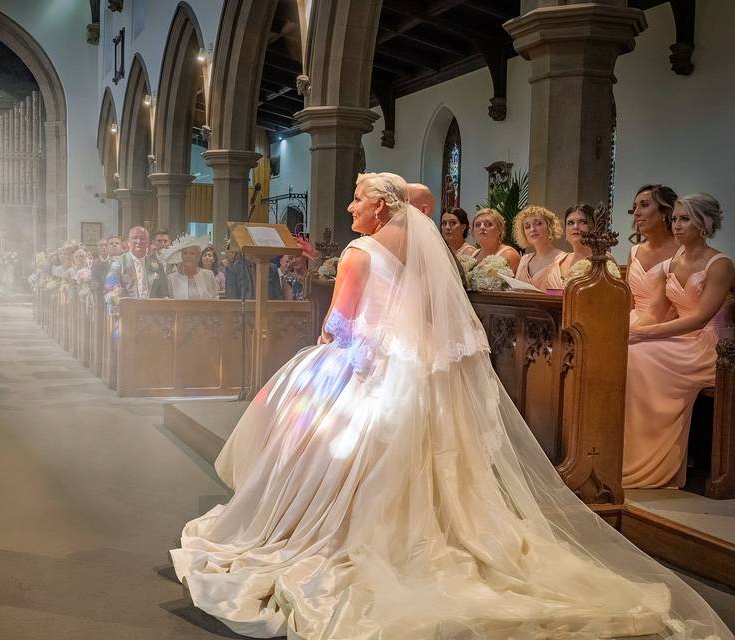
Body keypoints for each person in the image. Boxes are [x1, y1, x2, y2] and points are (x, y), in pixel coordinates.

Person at [171, 171, 731, 640]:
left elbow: (339, 324)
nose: (351, 206)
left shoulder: (361, 251)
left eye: (359, 198)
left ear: (380, 207)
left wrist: (318, 354)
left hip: (367, 366)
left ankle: (315, 524)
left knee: (309, 422)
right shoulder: (419, 248)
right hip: (414, 370)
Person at [624, 194, 734, 489]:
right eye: (674, 219)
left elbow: (700, 319)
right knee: (626, 352)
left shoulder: (720, 264)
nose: (676, 225)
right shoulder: (671, 263)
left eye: (685, 219)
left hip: (711, 345)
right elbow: (654, 312)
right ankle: (631, 452)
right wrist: (626, 332)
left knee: (641, 357)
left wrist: (645, 334)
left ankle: (657, 464)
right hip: (680, 338)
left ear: (704, 223)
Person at [627, 184, 680, 324]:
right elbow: (629, 302)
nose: (636, 213)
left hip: (670, 325)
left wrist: (647, 331)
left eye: (644, 205)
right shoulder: (634, 252)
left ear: (665, 212)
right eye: (635, 207)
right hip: (634, 320)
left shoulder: (683, 251)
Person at [105, 226, 171, 304]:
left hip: (152, 311)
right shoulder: (119, 262)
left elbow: (164, 293)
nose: (138, 241)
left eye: (142, 239)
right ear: (128, 242)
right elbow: (110, 280)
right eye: (135, 238)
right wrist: (116, 288)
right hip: (128, 310)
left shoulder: (157, 266)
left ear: (148, 242)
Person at [512, 205, 565, 290]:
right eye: (527, 226)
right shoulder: (524, 260)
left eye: (538, 223)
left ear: (550, 227)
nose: (532, 229)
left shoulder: (563, 259)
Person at [471, 207, 521, 272]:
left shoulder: (509, 255)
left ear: (499, 230)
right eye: (478, 225)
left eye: (489, 224)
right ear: (473, 231)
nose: (482, 227)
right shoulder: (474, 255)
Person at [557, 203, 596, 281]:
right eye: (570, 223)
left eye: (583, 222)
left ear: (594, 227)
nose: (575, 227)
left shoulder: (603, 259)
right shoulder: (560, 261)